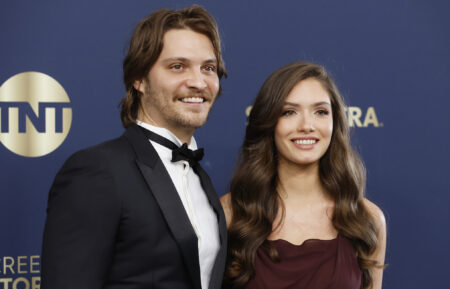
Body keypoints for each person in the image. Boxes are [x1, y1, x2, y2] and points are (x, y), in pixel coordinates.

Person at [41, 5, 227, 289]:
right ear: (139, 79)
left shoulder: (202, 179)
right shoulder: (97, 172)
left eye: (208, 68)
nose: (198, 82)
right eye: (178, 66)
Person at [221, 61, 386, 289]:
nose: (307, 125)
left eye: (320, 112)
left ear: (334, 121)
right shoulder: (230, 213)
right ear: (269, 123)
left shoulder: (367, 218)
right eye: (289, 112)